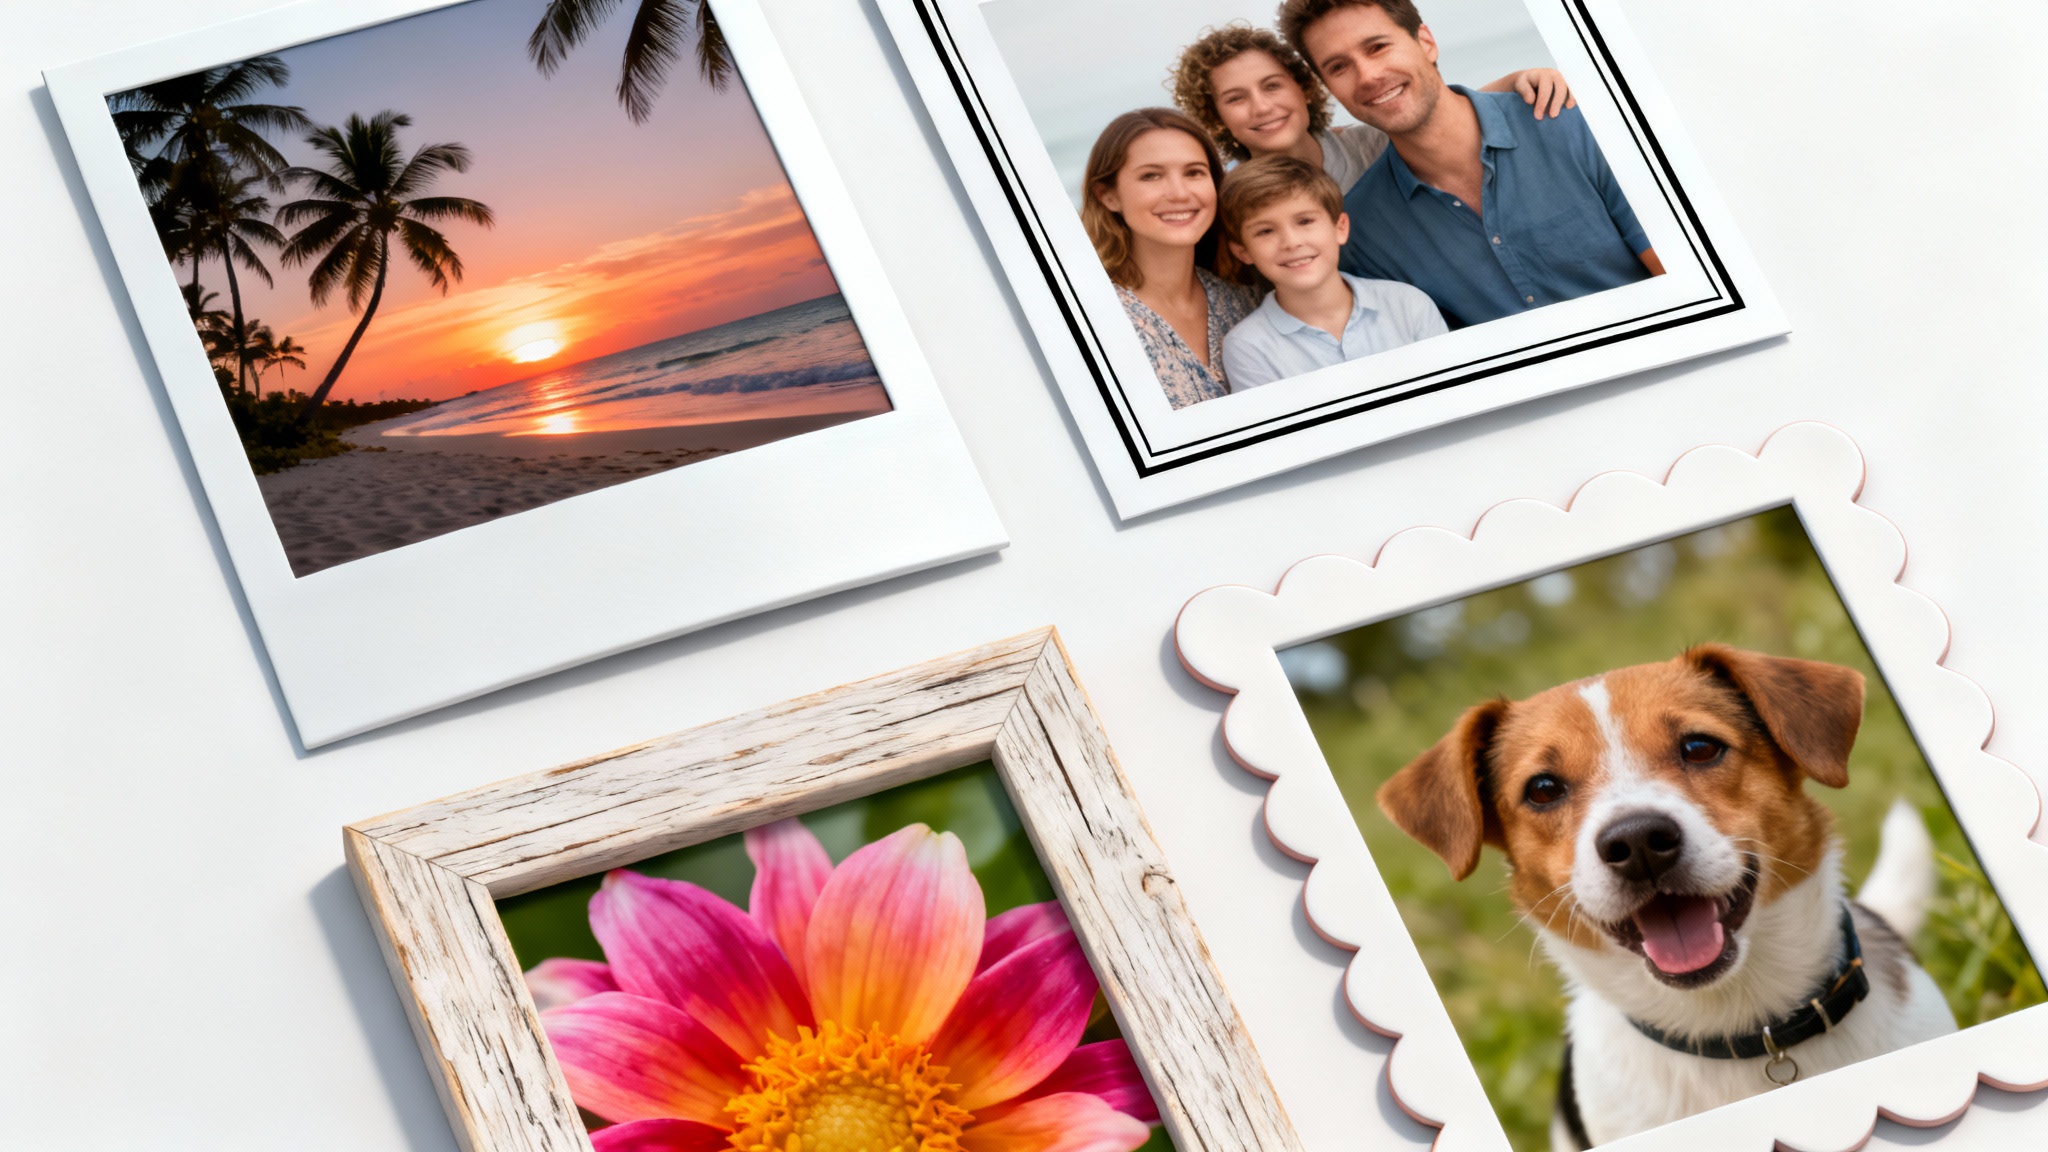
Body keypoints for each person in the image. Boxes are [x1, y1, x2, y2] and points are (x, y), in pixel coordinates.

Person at [1280, 0, 1664, 328]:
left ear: (1426, 42)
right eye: (1338, 67)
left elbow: (1685, 277)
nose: (1368, 76)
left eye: (1378, 47)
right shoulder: (1363, 235)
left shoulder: (1573, 125)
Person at [1171, 23, 1574, 194]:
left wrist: (1519, 78)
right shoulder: (1227, 197)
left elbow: (1448, 117)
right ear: (1216, 117)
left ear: (1306, 88)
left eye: (1272, 85)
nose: (1261, 107)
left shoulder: (1369, 146)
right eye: (1235, 99)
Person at [1218, 157, 1445, 390]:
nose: (1291, 242)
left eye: (1305, 221)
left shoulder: (1408, 305)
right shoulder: (1248, 347)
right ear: (1243, 251)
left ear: (1340, 228)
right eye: (1265, 231)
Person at [1082, 108, 1258, 408]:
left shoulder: (1247, 301)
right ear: (1108, 196)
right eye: (1151, 175)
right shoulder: (1091, 319)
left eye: (1194, 173)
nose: (1179, 193)